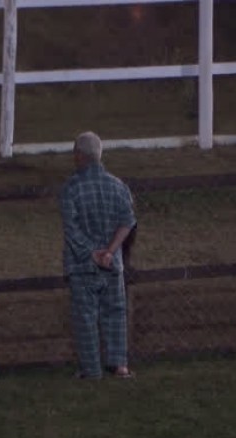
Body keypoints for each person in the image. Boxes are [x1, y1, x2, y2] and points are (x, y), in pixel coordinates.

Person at [59, 131, 137, 379]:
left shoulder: (70, 188)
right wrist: (111, 251)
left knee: (86, 317)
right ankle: (119, 365)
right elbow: (128, 221)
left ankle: (91, 369)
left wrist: (91, 254)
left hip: (82, 264)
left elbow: (71, 229)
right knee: (115, 312)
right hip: (112, 262)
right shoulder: (118, 185)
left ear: (79, 155)